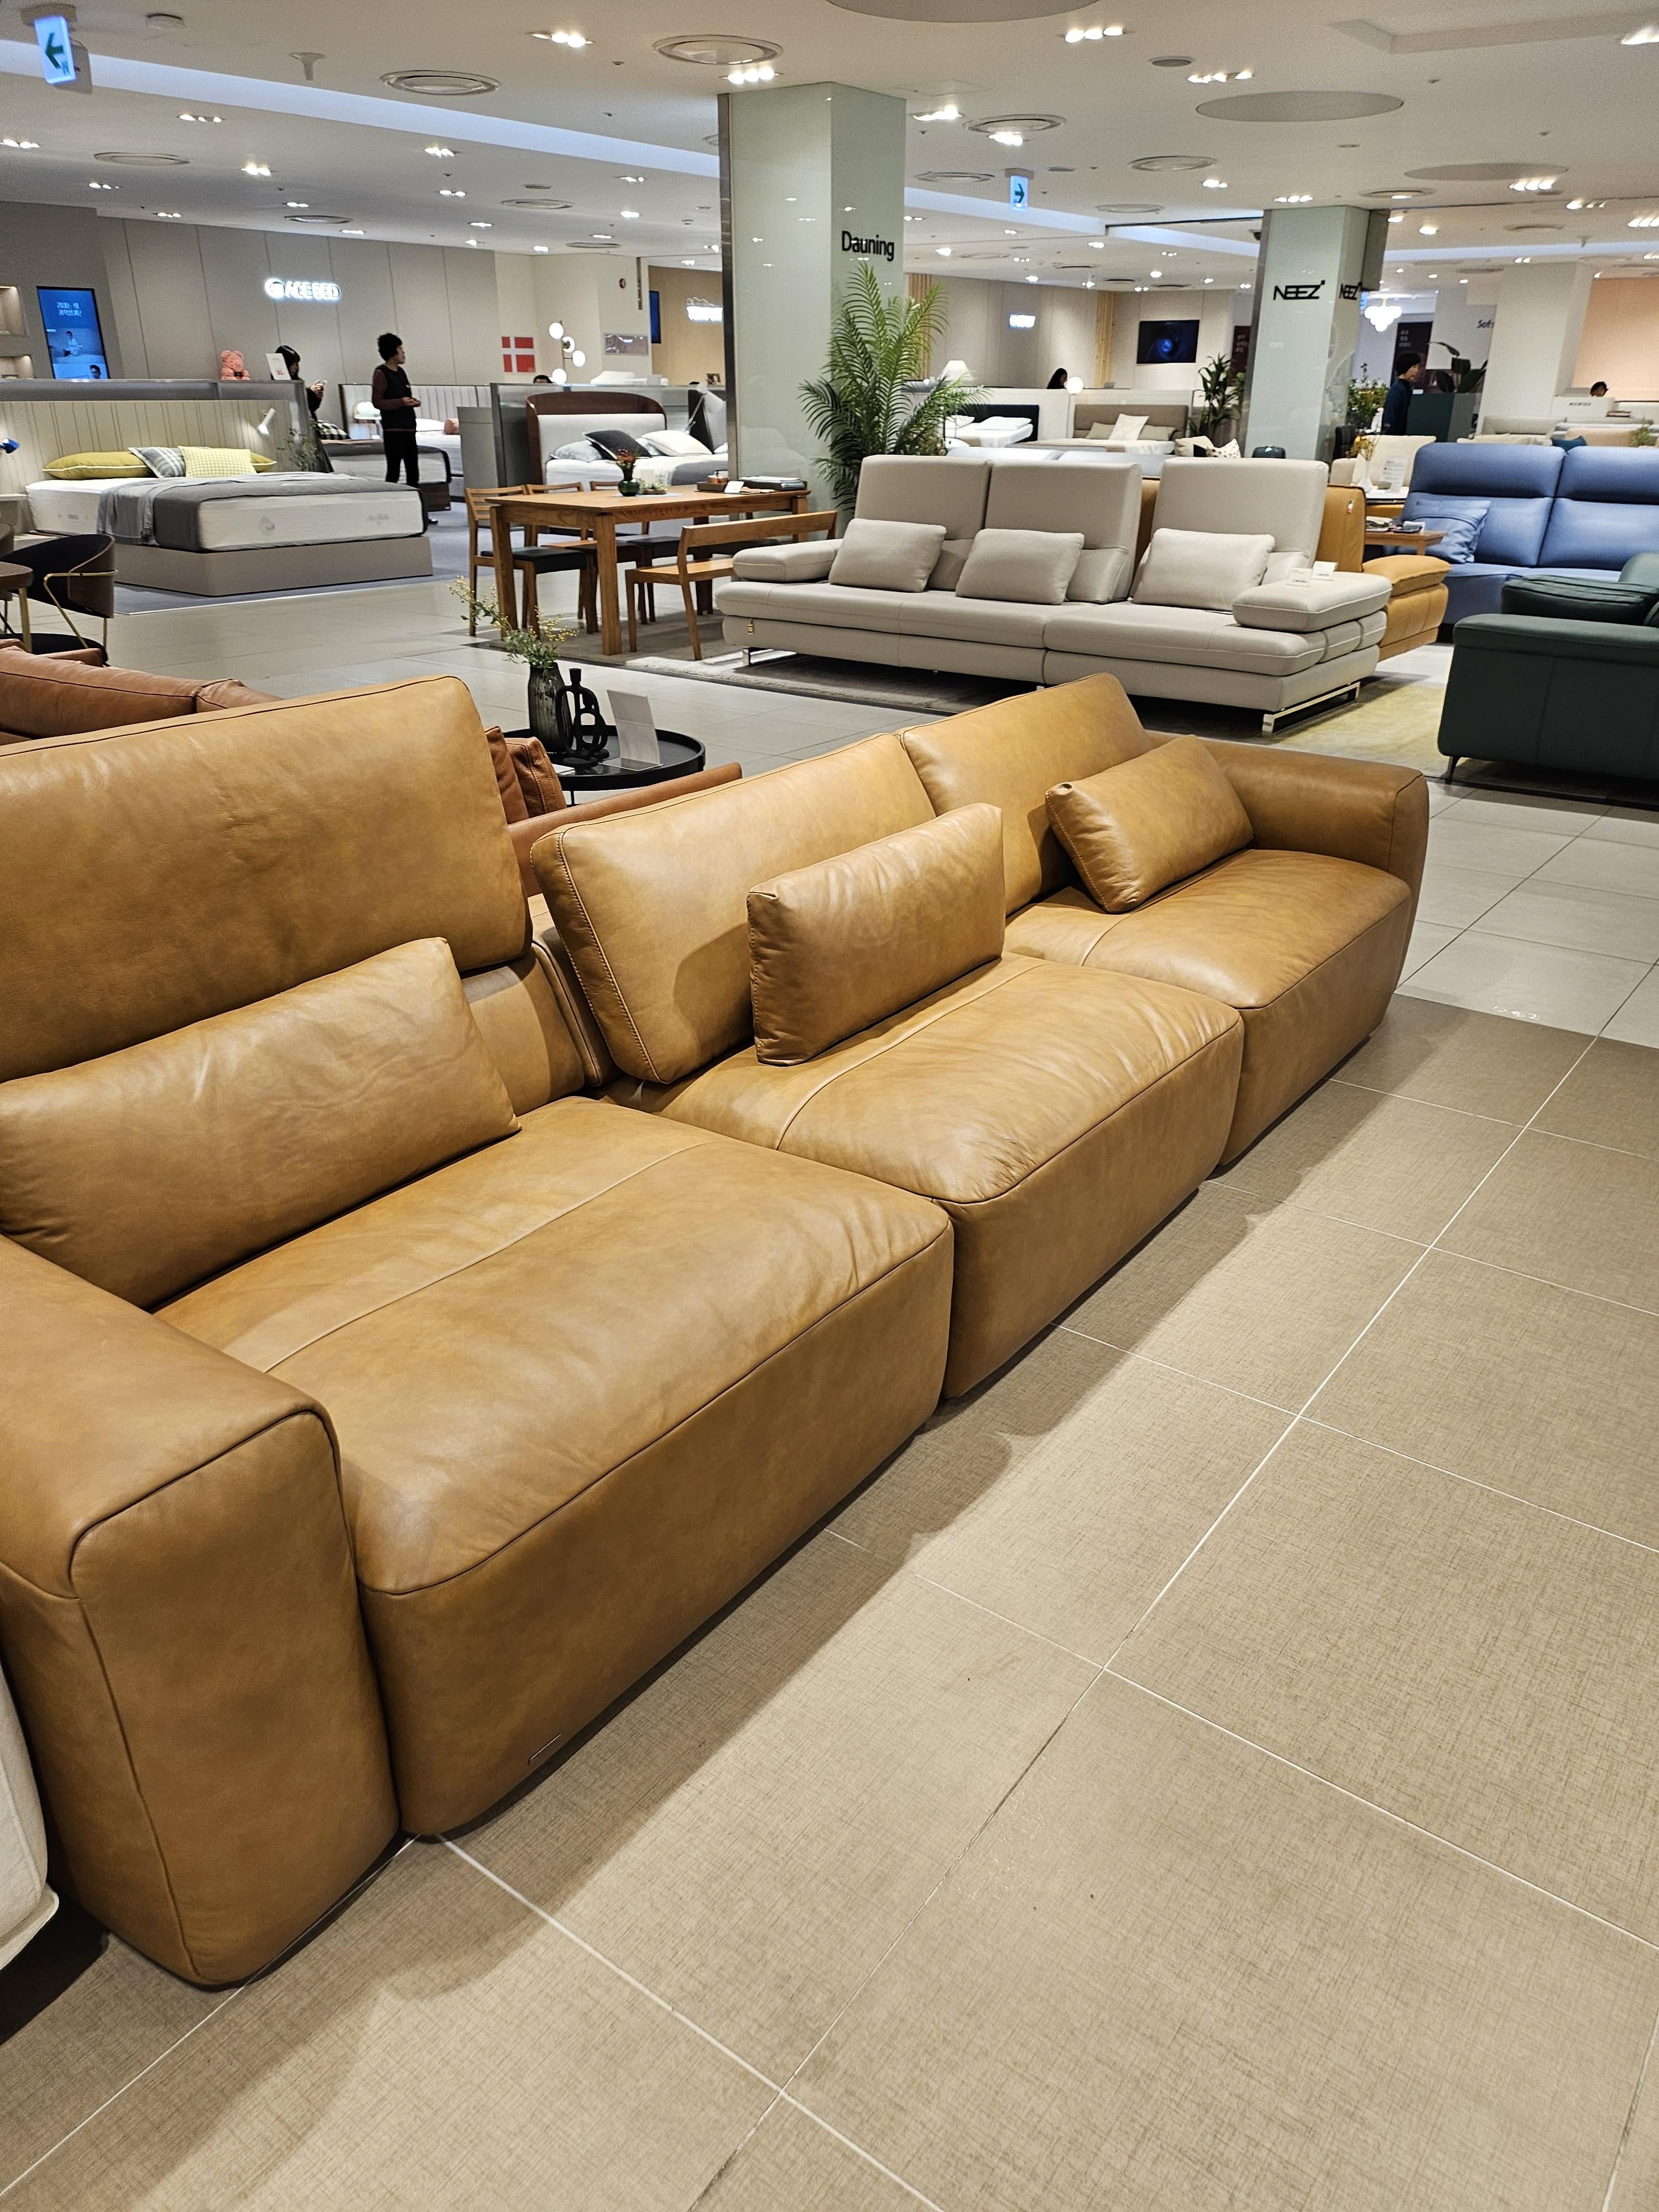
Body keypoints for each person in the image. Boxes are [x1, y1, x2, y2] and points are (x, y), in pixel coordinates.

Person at [372, 331, 421, 495]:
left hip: (409, 429)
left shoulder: (401, 372)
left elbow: (402, 397)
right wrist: (401, 402)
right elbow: (378, 402)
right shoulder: (381, 373)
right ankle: (390, 502)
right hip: (394, 431)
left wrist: (412, 402)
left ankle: (415, 504)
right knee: (394, 472)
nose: (404, 352)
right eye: (400, 349)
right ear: (392, 352)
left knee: (413, 473)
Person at [275, 342, 332, 472]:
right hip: (294, 430)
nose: (296, 367)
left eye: (297, 364)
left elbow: (311, 409)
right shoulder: (281, 385)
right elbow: (292, 402)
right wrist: (310, 392)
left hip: (307, 429)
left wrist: (317, 397)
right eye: (293, 364)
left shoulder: (298, 384)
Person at [1381, 353, 1422, 435]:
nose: (1417, 371)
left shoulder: (1405, 388)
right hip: (1394, 437)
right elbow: (1391, 416)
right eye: (1414, 367)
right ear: (1405, 367)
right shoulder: (1397, 389)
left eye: (1418, 367)